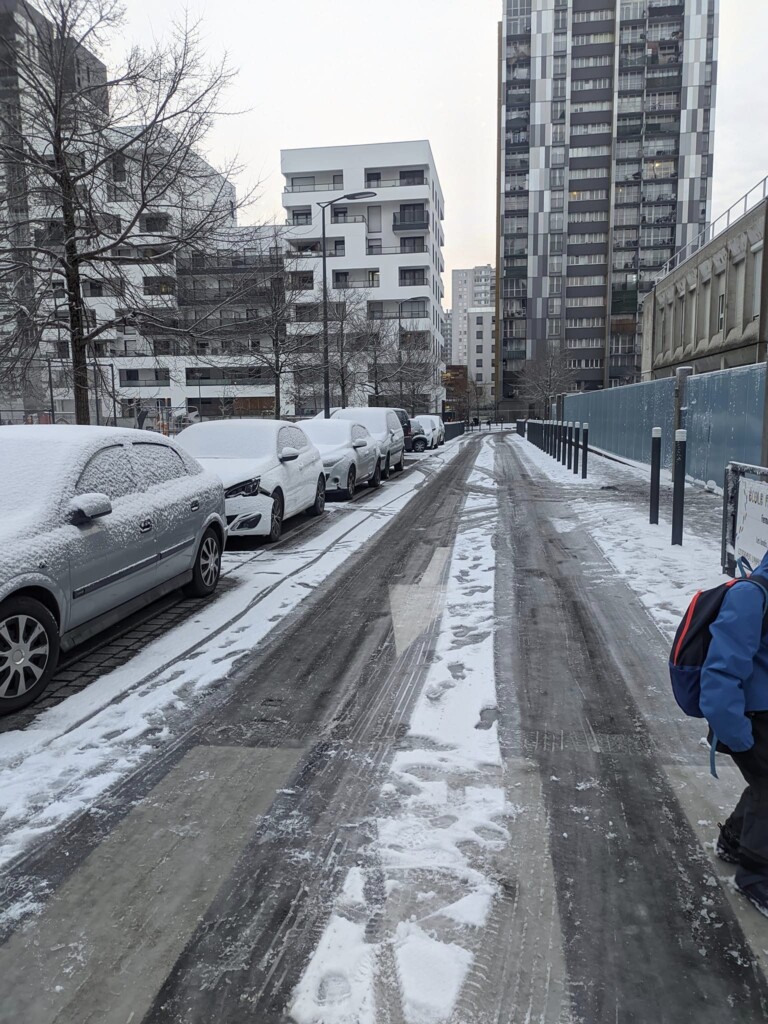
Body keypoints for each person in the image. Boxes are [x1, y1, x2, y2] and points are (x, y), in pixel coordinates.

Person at [701, 550, 768, 916]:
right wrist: (739, 736)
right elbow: (720, 675)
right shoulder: (752, 595)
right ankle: (757, 879)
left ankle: (733, 840)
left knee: (764, 784)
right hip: (749, 718)